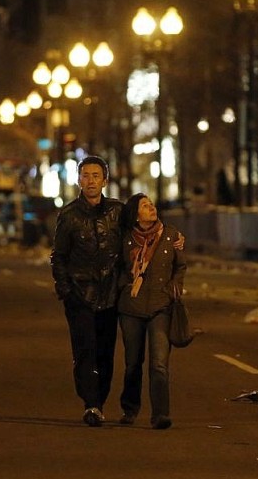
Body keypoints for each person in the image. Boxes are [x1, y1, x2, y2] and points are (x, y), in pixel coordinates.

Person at [51, 156, 123, 427]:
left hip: (111, 295)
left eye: (96, 176)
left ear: (105, 180)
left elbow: (142, 231)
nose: (90, 181)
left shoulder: (117, 212)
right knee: (85, 350)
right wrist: (65, 290)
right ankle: (91, 404)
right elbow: (58, 256)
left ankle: (100, 401)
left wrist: (173, 238)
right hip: (79, 295)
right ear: (78, 179)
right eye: (85, 175)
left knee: (105, 352)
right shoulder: (69, 215)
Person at [116, 192, 186, 430]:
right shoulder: (125, 238)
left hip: (161, 307)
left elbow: (181, 265)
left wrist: (174, 287)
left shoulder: (170, 235)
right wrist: (123, 288)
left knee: (159, 364)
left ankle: (160, 414)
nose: (151, 208)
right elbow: (117, 267)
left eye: (151, 204)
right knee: (133, 363)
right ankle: (130, 409)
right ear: (135, 215)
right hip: (131, 309)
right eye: (145, 206)